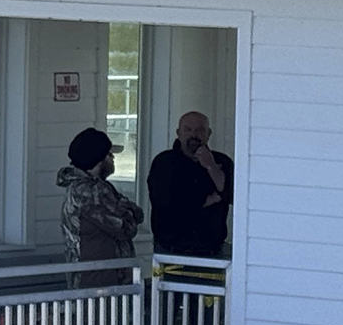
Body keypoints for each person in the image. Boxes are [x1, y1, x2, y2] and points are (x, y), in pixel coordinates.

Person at [57, 127, 143, 287]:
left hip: (88, 277)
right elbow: (126, 228)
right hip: (102, 281)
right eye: (110, 155)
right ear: (99, 159)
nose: (113, 159)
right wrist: (128, 211)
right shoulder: (93, 192)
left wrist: (127, 209)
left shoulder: (76, 187)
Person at [147, 111, 234, 258]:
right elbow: (167, 203)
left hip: (212, 248)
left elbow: (232, 195)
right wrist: (210, 199)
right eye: (188, 130)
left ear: (209, 133)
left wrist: (211, 166)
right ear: (178, 133)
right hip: (170, 248)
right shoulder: (165, 162)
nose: (194, 135)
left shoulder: (222, 161)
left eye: (200, 130)